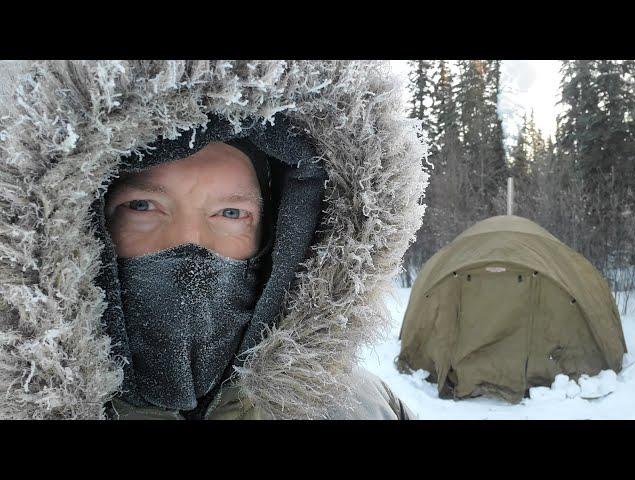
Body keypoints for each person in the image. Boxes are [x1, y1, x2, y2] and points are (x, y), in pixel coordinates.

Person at [0, 60, 428, 420]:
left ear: (282, 236)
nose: (190, 242)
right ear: (76, 224)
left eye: (230, 213)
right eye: (143, 206)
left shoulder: (361, 408)